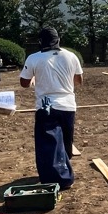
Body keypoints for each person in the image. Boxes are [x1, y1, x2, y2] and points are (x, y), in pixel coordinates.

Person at [20, 27, 83, 190]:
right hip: (68, 105)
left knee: (47, 143)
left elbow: (24, 83)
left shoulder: (34, 58)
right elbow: (78, 80)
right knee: (66, 141)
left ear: (40, 41)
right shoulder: (71, 56)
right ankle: (64, 172)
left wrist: (35, 78)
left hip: (46, 105)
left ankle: (54, 178)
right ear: (58, 40)